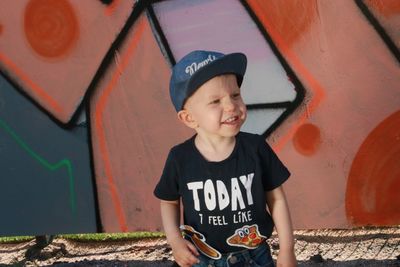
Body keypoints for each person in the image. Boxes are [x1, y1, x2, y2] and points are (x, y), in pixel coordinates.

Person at [154, 50, 296, 267]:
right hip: (201, 258)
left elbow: (276, 199)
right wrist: (175, 241)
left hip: (254, 257)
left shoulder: (255, 148)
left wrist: (286, 250)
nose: (231, 106)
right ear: (189, 117)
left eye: (235, 95)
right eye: (215, 101)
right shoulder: (179, 158)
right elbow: (169, 202)